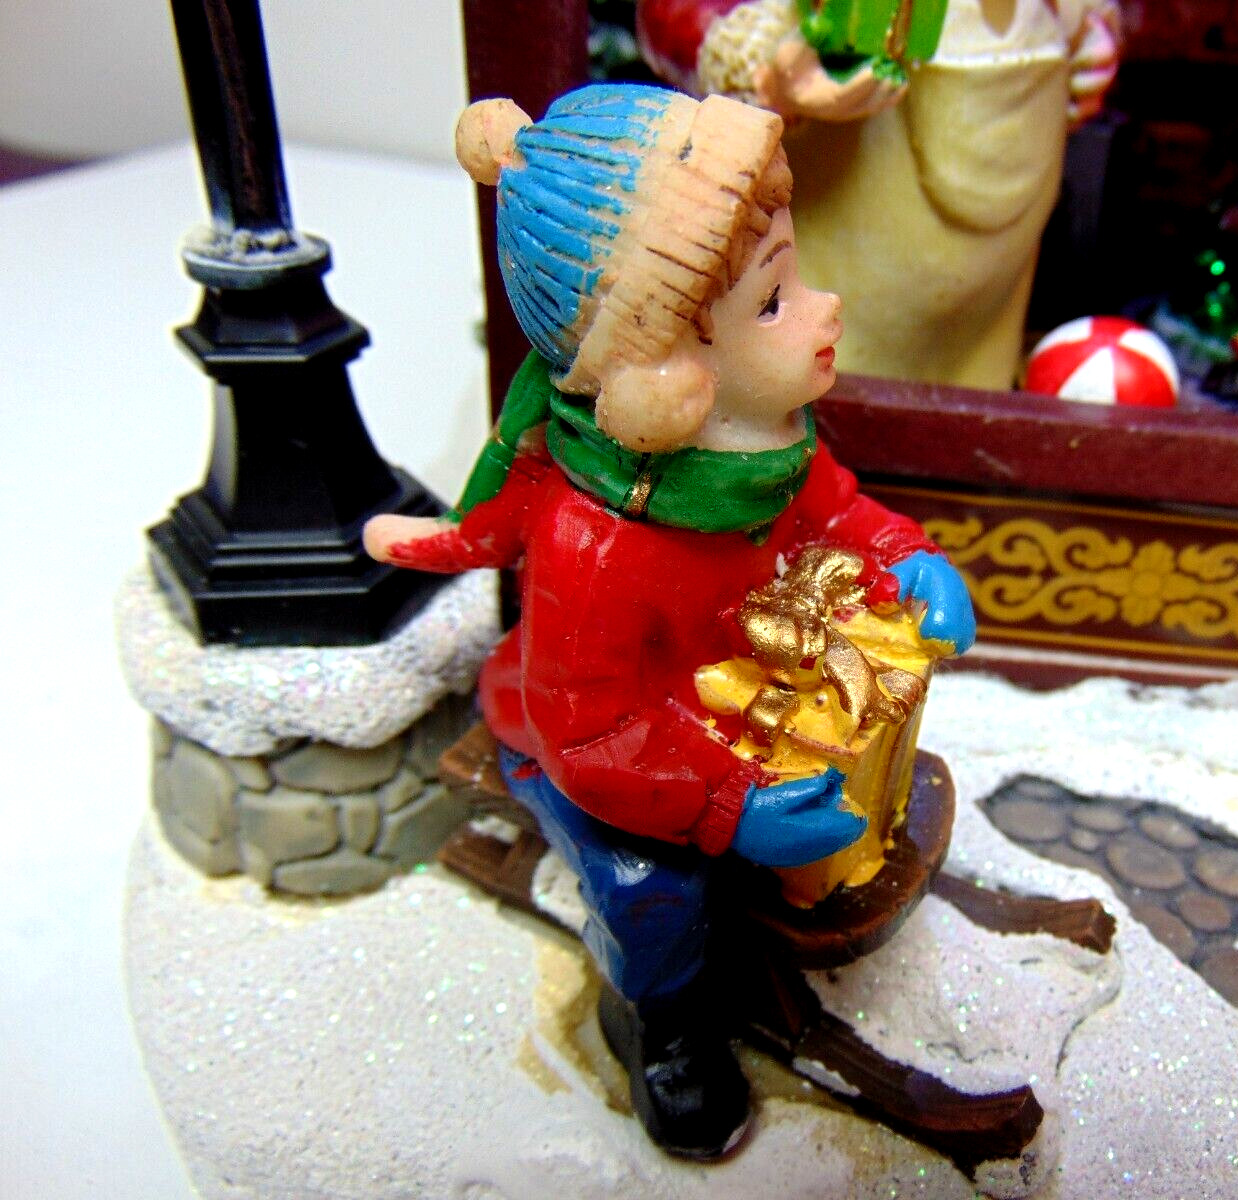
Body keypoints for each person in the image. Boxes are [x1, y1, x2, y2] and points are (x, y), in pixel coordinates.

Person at [364, 83, 974, 1160]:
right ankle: (661, 1025)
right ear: (671, 374)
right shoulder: (596, 546)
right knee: (652, 887)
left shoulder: (767, 447)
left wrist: (905, 555)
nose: (825, 308)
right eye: (774, 301)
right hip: (592, 749)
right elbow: (592, 731)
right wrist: (729, 806)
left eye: (792, 276)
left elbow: (839, 512)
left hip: (737, 689)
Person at [636, 0, 1121, 388]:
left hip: (990, 299)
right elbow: (677, 15)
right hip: (836, 258)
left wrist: (1086, 30)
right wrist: (762, 69)